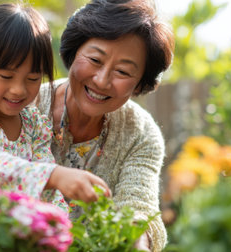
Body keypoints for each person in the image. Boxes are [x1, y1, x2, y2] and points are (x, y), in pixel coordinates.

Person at [0, 3, 111, 211]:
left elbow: (49, 192)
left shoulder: (33, 123)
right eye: (6, 76)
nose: (18, 89)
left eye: (33, 78)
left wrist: (62, 227)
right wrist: (54, 175)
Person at [35, 0, 174, 250]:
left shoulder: (141, 134)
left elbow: (139, 206)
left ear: (140, 83)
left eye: (122, 72)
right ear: (74, 51)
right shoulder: (24, 104)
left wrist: (135, 240)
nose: (101, 80)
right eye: (95, 60)